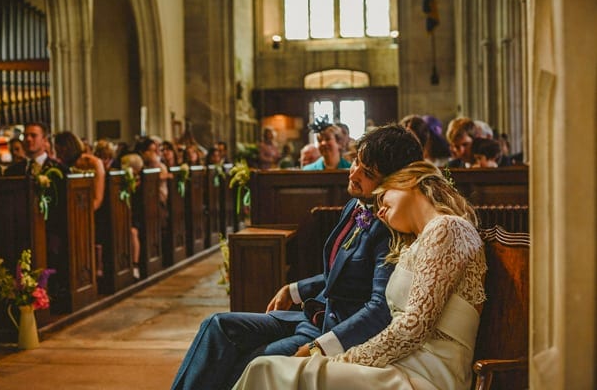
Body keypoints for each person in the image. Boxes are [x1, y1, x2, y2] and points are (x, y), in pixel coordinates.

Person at [171, 125, 424, 390]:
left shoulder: (392, 226)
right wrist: (294, 291)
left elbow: (379, 310)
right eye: (358, 162)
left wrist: (320, 347)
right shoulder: (355, 205)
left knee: (249, 363)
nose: (354, 173)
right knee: (217, 326)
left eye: (368, 172)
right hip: (315, 314)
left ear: (394, 181)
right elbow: (339, 273)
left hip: (333, 331)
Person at [234, 161, 486, 390]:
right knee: (266, 367)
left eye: (383, 197)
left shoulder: (448, 227)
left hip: (427, 374)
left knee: (267, 369)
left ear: (409, 182)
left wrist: (343, 358)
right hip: (402, 363)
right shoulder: (417, 242)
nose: (379, 211)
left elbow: (414, 327)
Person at [54, 131, 106, 211]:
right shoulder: (61, 166)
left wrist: (81, 213)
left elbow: (97, 200)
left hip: (91, 212)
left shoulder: (93, 163)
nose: (57, 156)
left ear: (67, 148)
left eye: (59, 151)